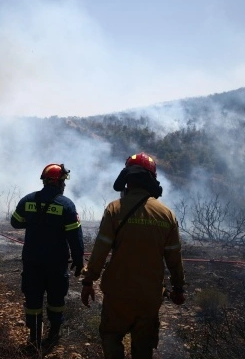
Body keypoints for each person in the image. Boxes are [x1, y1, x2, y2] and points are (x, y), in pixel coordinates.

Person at [81, 153, 185, 359]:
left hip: (118, 293)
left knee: (111, 335)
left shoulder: (114, 209)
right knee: (143, 347)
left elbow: (100, 250)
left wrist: (88, 280)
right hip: (150, 296)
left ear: (127, 179)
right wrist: (179, 288)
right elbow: (174, 258)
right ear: (151, 180)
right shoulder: (167, 214)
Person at [9, 163, 84, 353]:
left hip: (32, 260)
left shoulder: (28, 200)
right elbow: (74, 236)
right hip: (56, 262)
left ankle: (34, 337)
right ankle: (54, 334)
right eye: (63, 182)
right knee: (56, 298)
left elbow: (15, 222)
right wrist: (78, 258)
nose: (64, 185)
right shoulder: (66, 205)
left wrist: (34, 222)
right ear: (59, 183)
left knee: (33, 298)